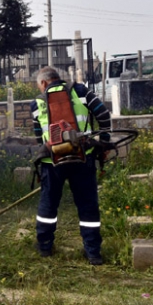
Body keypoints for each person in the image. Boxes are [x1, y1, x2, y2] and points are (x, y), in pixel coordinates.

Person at [30, 66, 112, 265]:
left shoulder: (37, 104)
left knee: (49, 205)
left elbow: (39, 137)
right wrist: (105, 143)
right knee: (87, 205)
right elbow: (103, 116)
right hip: (83, 157)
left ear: (43, 83)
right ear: (59, 79)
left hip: (53, 162)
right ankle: (93, 253)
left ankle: (45, 247)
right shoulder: (82, 92)